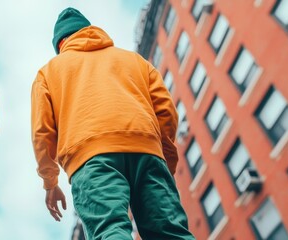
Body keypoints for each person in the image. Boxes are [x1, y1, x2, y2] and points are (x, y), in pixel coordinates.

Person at [31, 7, 195, 240]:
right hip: (147, 151)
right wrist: (165, 159)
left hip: (91, 160)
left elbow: (42, 131)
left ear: (61, 43)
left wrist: (50, 182)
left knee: (109, 230)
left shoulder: (48, 72)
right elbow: (166, 111)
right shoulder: (134, 60)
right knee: (170, 232)